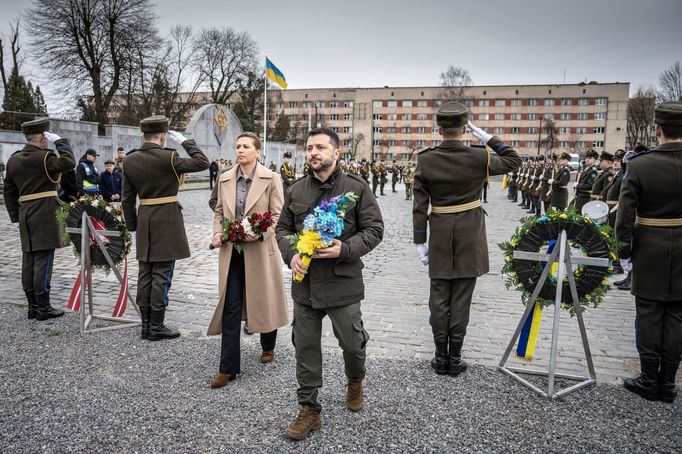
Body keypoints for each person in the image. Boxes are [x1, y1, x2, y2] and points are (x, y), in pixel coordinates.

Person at [275, 127, 384, 440]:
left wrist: (345, 248)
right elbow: (282, 229)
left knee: (352, 343)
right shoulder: (296, 190)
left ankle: (355, 379)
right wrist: (291, 254)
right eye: (309, 148)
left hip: (342, 282)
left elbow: (375, 229)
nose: (313, 153)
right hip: (305, 285)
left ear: (337, 153)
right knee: (305, 346)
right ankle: (309, 408)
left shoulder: (356, 187)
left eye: (320, 147)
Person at [413, 103, 521, 377]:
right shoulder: (479, 156)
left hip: (438, 232)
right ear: (464, 129)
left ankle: (439, 357)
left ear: (440, 129)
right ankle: (455, 356)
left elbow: (419, 205)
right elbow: (514, 160)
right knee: (461, 295)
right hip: (469, 235)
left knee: (439, 296)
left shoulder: (425, 159)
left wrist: (419, 241)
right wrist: (487, 138)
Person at [207, 132, 288, 388]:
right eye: (238, 146)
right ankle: (228, 367)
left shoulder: (272, 178)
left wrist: (260, 232)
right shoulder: (225, 178)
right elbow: (219, 210)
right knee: (230, 305)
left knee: (263, 298)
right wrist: (218, 232)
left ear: (257, 151)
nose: (240, 150)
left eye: (245, 146)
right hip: (232, 251)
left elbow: (278, 215)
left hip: (261, 250)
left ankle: (268, 344)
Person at [615, 101, 682, 404]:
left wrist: (623, 250)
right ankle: (668, 382)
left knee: (649, 313)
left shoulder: (639, 165)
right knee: (678, 315)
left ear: (657, 130)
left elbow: (624, 216)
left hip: (651, 247)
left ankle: (648, 377)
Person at [121, 116, 209, 341]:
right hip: (166, 220)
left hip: (144, 219)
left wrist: (132, 225)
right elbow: (202, 162)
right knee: (161, 273)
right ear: (163, 136)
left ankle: (146, 325)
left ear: (144, 135)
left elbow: (127, 199)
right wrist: (186, 142)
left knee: (145, 272)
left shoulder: (129, 160)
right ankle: (156, 327)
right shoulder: (169, 157)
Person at [3, 118, 75, 320]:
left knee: (29, 258)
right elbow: (69, 163)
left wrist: (15, 216)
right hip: (44, 212)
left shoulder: (14, 159)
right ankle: (43, 308)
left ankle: (32, 307)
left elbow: (9, 190)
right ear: (43, 138)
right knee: (43, 258)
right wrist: (61, 142)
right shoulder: (45, 158)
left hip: (25, 212)